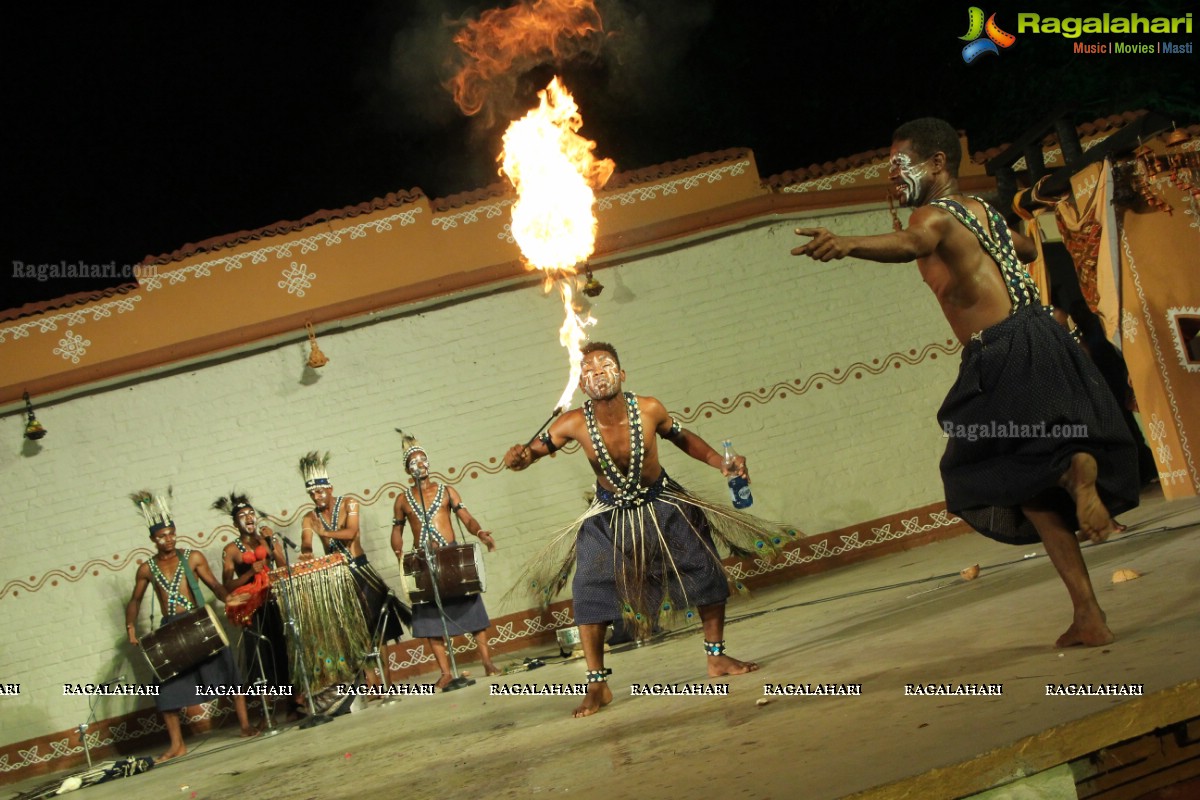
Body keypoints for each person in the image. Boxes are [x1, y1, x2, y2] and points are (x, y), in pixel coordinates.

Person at [791, 117, 1140, 648]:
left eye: (899, 164)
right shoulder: (980, 212)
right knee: (1029, 488)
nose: (891, 174)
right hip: (1043, 335)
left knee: (978, 465)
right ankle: (1088, 611)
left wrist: (847, 244)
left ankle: (1074, 467)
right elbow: (1024, 249)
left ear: (937, 164)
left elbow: (912, 241)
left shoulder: (932, 216)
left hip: (1001, 351)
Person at [504, 342, 791, 717]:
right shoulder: (571, 423)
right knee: (588, 590)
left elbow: (682, 438)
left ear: (621, 375)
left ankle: (716, 658)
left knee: (705, 571)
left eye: (606, 366)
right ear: (581, 384)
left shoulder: (649, 408)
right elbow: (531, 455)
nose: (597, 373)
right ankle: (597, 685)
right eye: (588, 369)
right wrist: (520, 459)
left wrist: (719, 462)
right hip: (608, 518)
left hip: (664, 504)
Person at [125, 490, 255, 761]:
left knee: (229, 673)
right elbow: (135, 600)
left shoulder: (192, 557)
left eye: (172, 533)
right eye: (162, 536)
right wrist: (130, 627)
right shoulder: (146, 569)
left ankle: (245, 727)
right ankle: (177, 745)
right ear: (152, 539)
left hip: (199, 622)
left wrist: (230, 598)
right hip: (172, 629)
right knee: (163, 688)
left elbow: (216, 586)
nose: (169, 539)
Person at [391, 432, 501, 688]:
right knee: (428, 617)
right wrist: (398, 554)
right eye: (414, 462)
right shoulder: (402, 499)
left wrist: (479, 532)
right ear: (408, 469)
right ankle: (445, 672)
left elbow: (466, 518)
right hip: (422, 561)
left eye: (423, 460)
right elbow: (397, 531)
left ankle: (487, 662)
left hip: (450, 556)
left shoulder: (446, 491)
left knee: (472, 606)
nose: (420, 465)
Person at [298, 451, 410, 648]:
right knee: (357, 635)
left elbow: (351, 532)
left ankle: (386, 680)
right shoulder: (309, 517)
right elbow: (306, 540)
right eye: (312, 494)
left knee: (379, 632)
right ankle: (369, 678)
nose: (316, 497)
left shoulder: (349, 503)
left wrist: (324, 533)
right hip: (338, 576)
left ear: (330, 488)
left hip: (361, 571)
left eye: (319, 491)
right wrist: (307, 551)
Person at [215, 492, 293, 709]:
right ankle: (267, 710)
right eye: (243, 515)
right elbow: (227, 586)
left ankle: (292, 704)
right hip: (252, 608)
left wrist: (272, 541)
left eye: (251, 513)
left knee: (281, 650)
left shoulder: (266, 540)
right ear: (235, 523)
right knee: (259, 655)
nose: (249, 518)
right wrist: (250, 574)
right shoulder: (231, 550)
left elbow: (282, 565)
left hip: (273, 602)